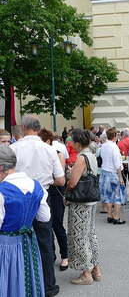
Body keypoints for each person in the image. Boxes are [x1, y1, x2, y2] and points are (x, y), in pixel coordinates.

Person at [10, 115, 65, 297]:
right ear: (38, 129)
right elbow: (60, 179)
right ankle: (48, 286)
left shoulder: (13, 148)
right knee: (45, 241)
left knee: (19, 241)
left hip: (18, 198)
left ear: (24, 128)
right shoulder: (49, 149)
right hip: (43, 197)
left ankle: (23, 284)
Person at [0, 146, 51, 297]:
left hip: (5, 246)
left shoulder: (2, 191)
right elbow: (44, 217)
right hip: (28, 242)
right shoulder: (36, 185)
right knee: (26, 278)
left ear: (1, 167)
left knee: (8, 281)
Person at [66, 129, 102, 284]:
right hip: (91, 200)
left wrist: (69, 175)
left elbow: (73, 182)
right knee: (90, 234)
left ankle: (86, 273)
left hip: (81, 202)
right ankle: (96, 269)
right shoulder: (92, 155)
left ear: (78, 143)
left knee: (80, 236)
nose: (71, 144)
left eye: (72, 142)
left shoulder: (82, 157)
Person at [38, 129, 69, 271]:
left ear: (49, 141)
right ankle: (50, 254)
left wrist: (46, 180)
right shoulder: (38, 156)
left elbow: (60, 180)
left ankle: (65, 255)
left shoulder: (58, 154)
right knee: (46, 226)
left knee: (57, 225)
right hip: (44, 193)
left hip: (56, 193)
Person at [100, 128, 126, 225]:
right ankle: (116, 217)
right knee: (117, 196)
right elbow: (117, 164)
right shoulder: (114, 147)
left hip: (104, 172)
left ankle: (109, 215)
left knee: (107, 196)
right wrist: (120, 178)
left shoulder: (103, 145)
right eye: (117, 135)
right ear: (114, 136)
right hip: (113, 173)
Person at [118, 128, 129, 203]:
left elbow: (118, 154)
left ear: (123, 135)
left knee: (123, 181)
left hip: (122, 163)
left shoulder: (120, 143)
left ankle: (123, 198)